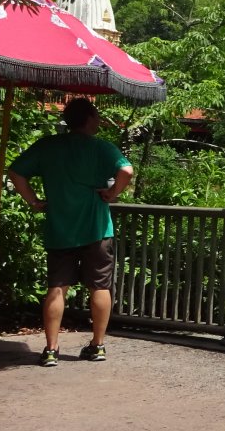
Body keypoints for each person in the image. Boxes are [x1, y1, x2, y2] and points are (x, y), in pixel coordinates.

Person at [8, 96, 134, 367]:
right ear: (89, 119)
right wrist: (112, 193)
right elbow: (126, 170)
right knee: (99, 286)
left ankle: (51, 350)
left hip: (60, 226)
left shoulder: (48, 146)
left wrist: (33, 201)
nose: (99, 121)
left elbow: (16, 172)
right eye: (97, 116)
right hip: (97, 229)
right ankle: (97, 345)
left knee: (57, 287)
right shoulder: (102, 148)